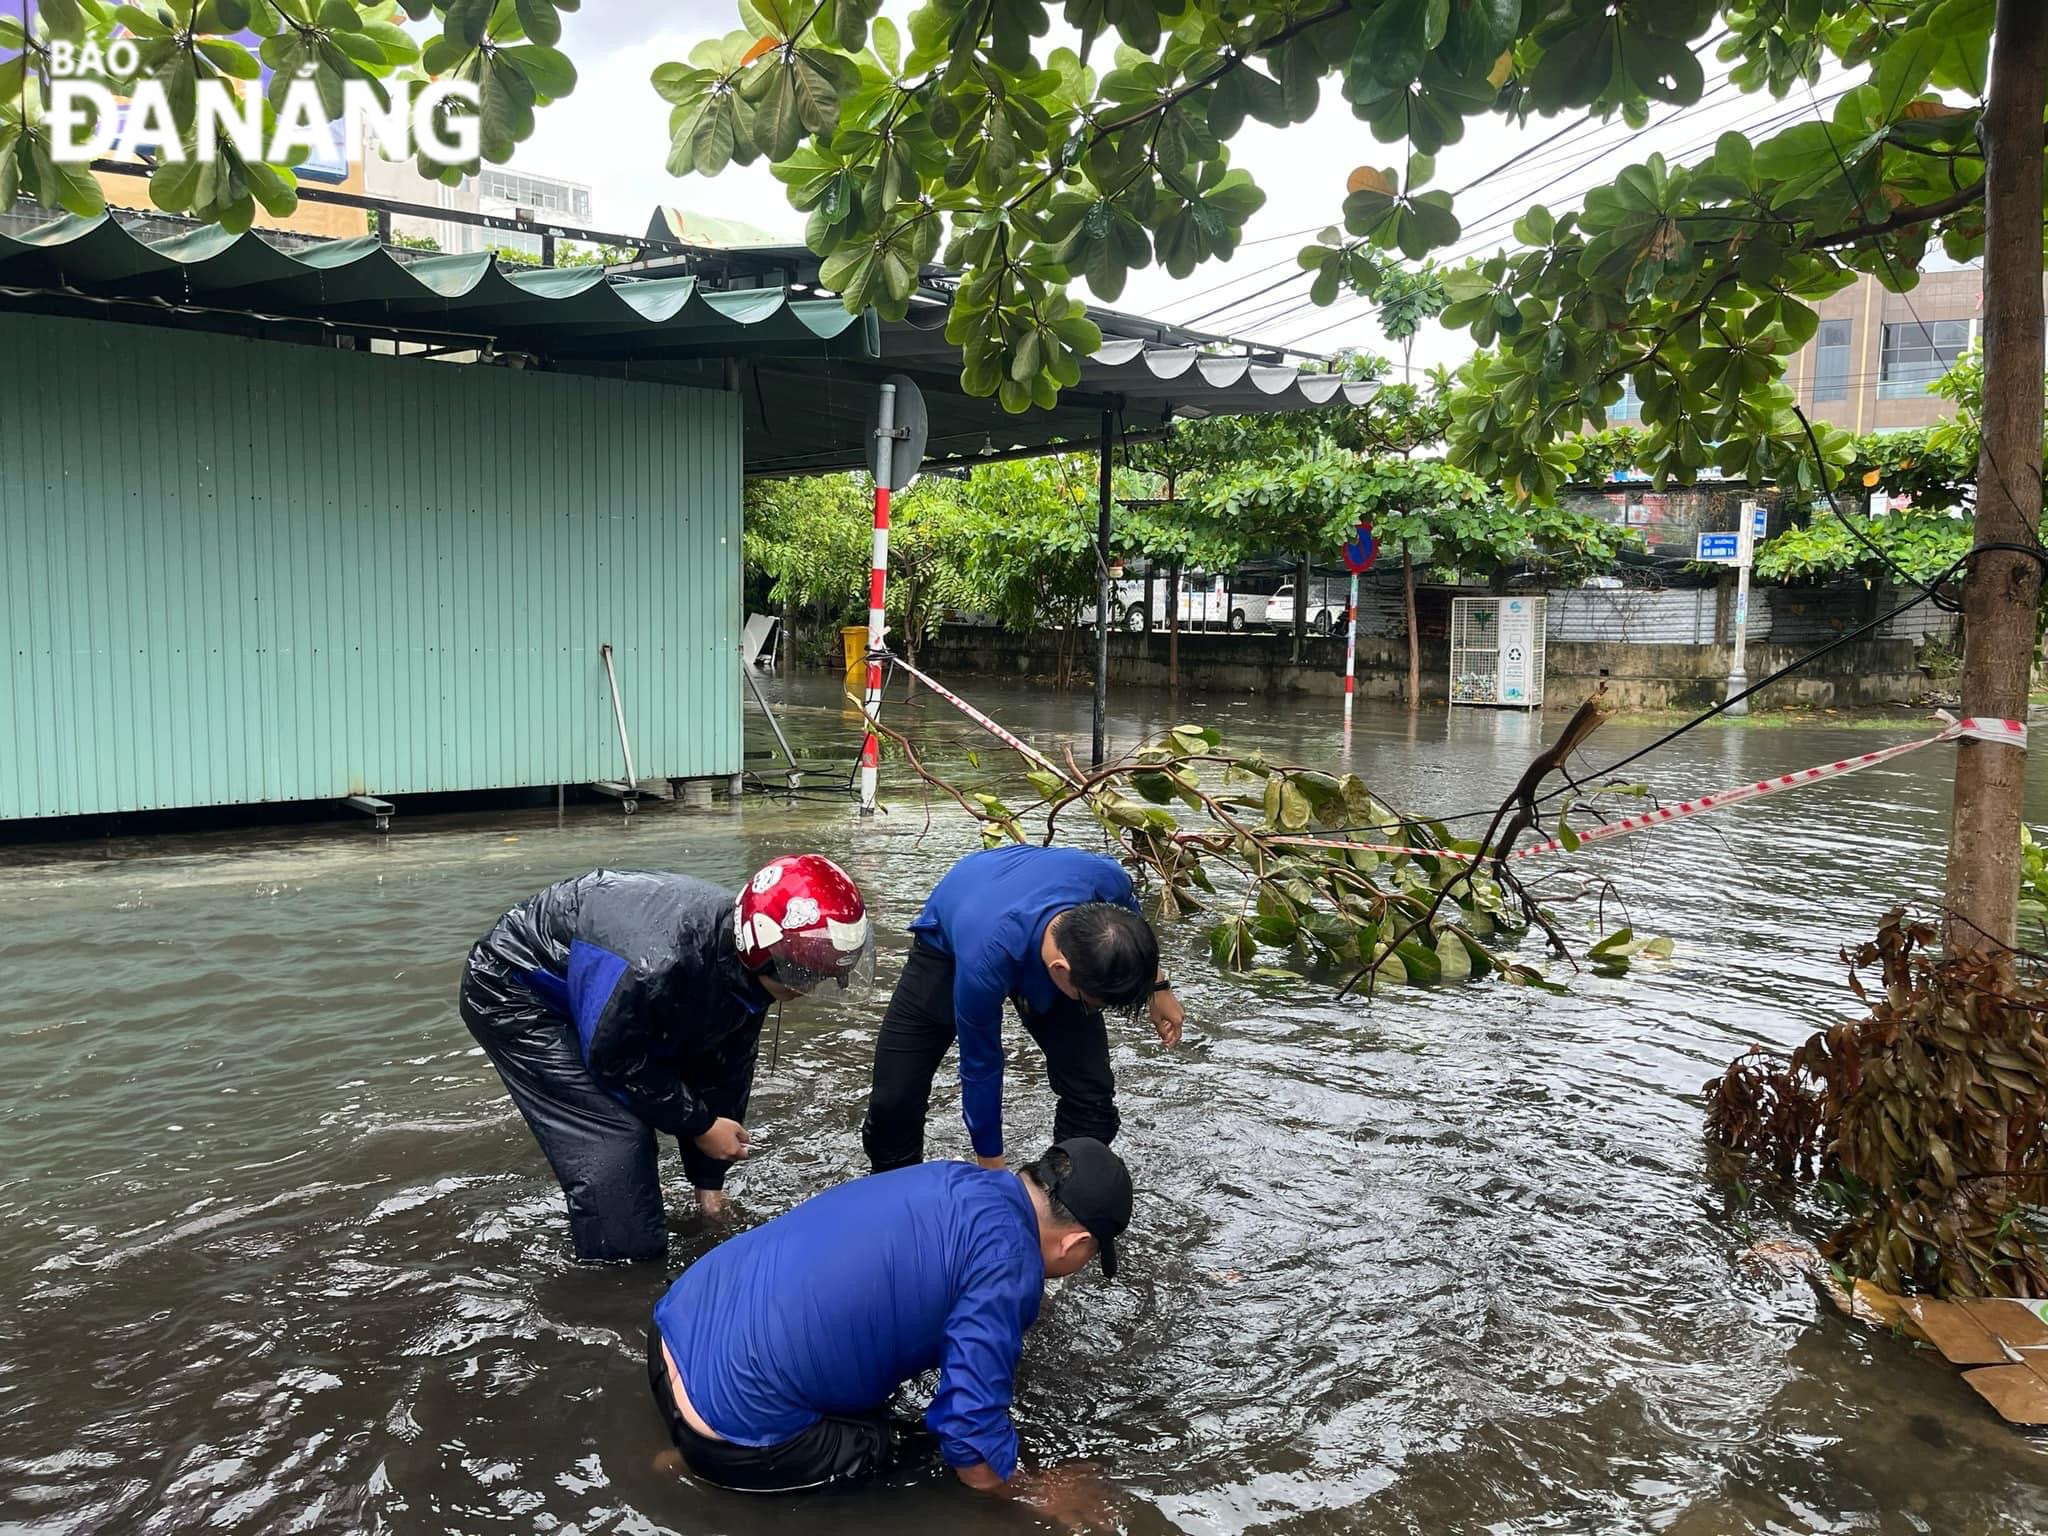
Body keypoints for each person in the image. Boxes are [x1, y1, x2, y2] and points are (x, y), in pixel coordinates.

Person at [648, 1137, 1133, 1494]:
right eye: (1089, 1258)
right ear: (1077, 1243)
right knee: (911, 1451)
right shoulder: (1009, 1262)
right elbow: (971, 1440)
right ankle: (697, 1463)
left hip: (671, 1334)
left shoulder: (954, 1177)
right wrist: (1035, 1491)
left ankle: (687, 1445)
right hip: (732, 1439)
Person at [461, 857, 874, 1263]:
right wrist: (700, 1125)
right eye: (803, 976)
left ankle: (664, 1231)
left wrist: (709, 1184)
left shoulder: (747, 967)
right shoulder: (655, 967)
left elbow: (726, 1068)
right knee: (618, 1134)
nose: (810, 987)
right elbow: (616, 1061)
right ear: (758, 950)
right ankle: (619, 1280)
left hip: (604, 988)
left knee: (683, 1074)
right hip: (513, 990)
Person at [861, 844, 1183, 1174]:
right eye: (1093, 1003)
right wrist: (992, 1169)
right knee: (894, 1101)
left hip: (1030, 921)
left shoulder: (1108, 878)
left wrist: (1158, 987)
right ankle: (897, 1187)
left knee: (1092, 1097)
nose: (1093, 1009)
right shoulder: (983, 964)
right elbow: (981, 1067)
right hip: (955, 938)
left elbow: (1129, 915)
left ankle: (1063, 1197)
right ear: (1061, 972)